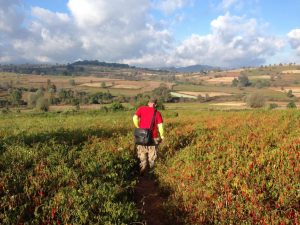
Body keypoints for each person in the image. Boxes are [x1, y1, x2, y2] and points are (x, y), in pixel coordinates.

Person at [133, 97, 164, 174]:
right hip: (153, 137)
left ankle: (143, 169)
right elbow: (160, 126)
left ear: (148, 103)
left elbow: (134, 118)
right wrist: (162, 136)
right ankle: (151, 173)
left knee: (142, 154)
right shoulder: (157, 113)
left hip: (141, 136)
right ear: (155, 104)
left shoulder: (141, 109)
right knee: (152, 156)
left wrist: (138, 127)